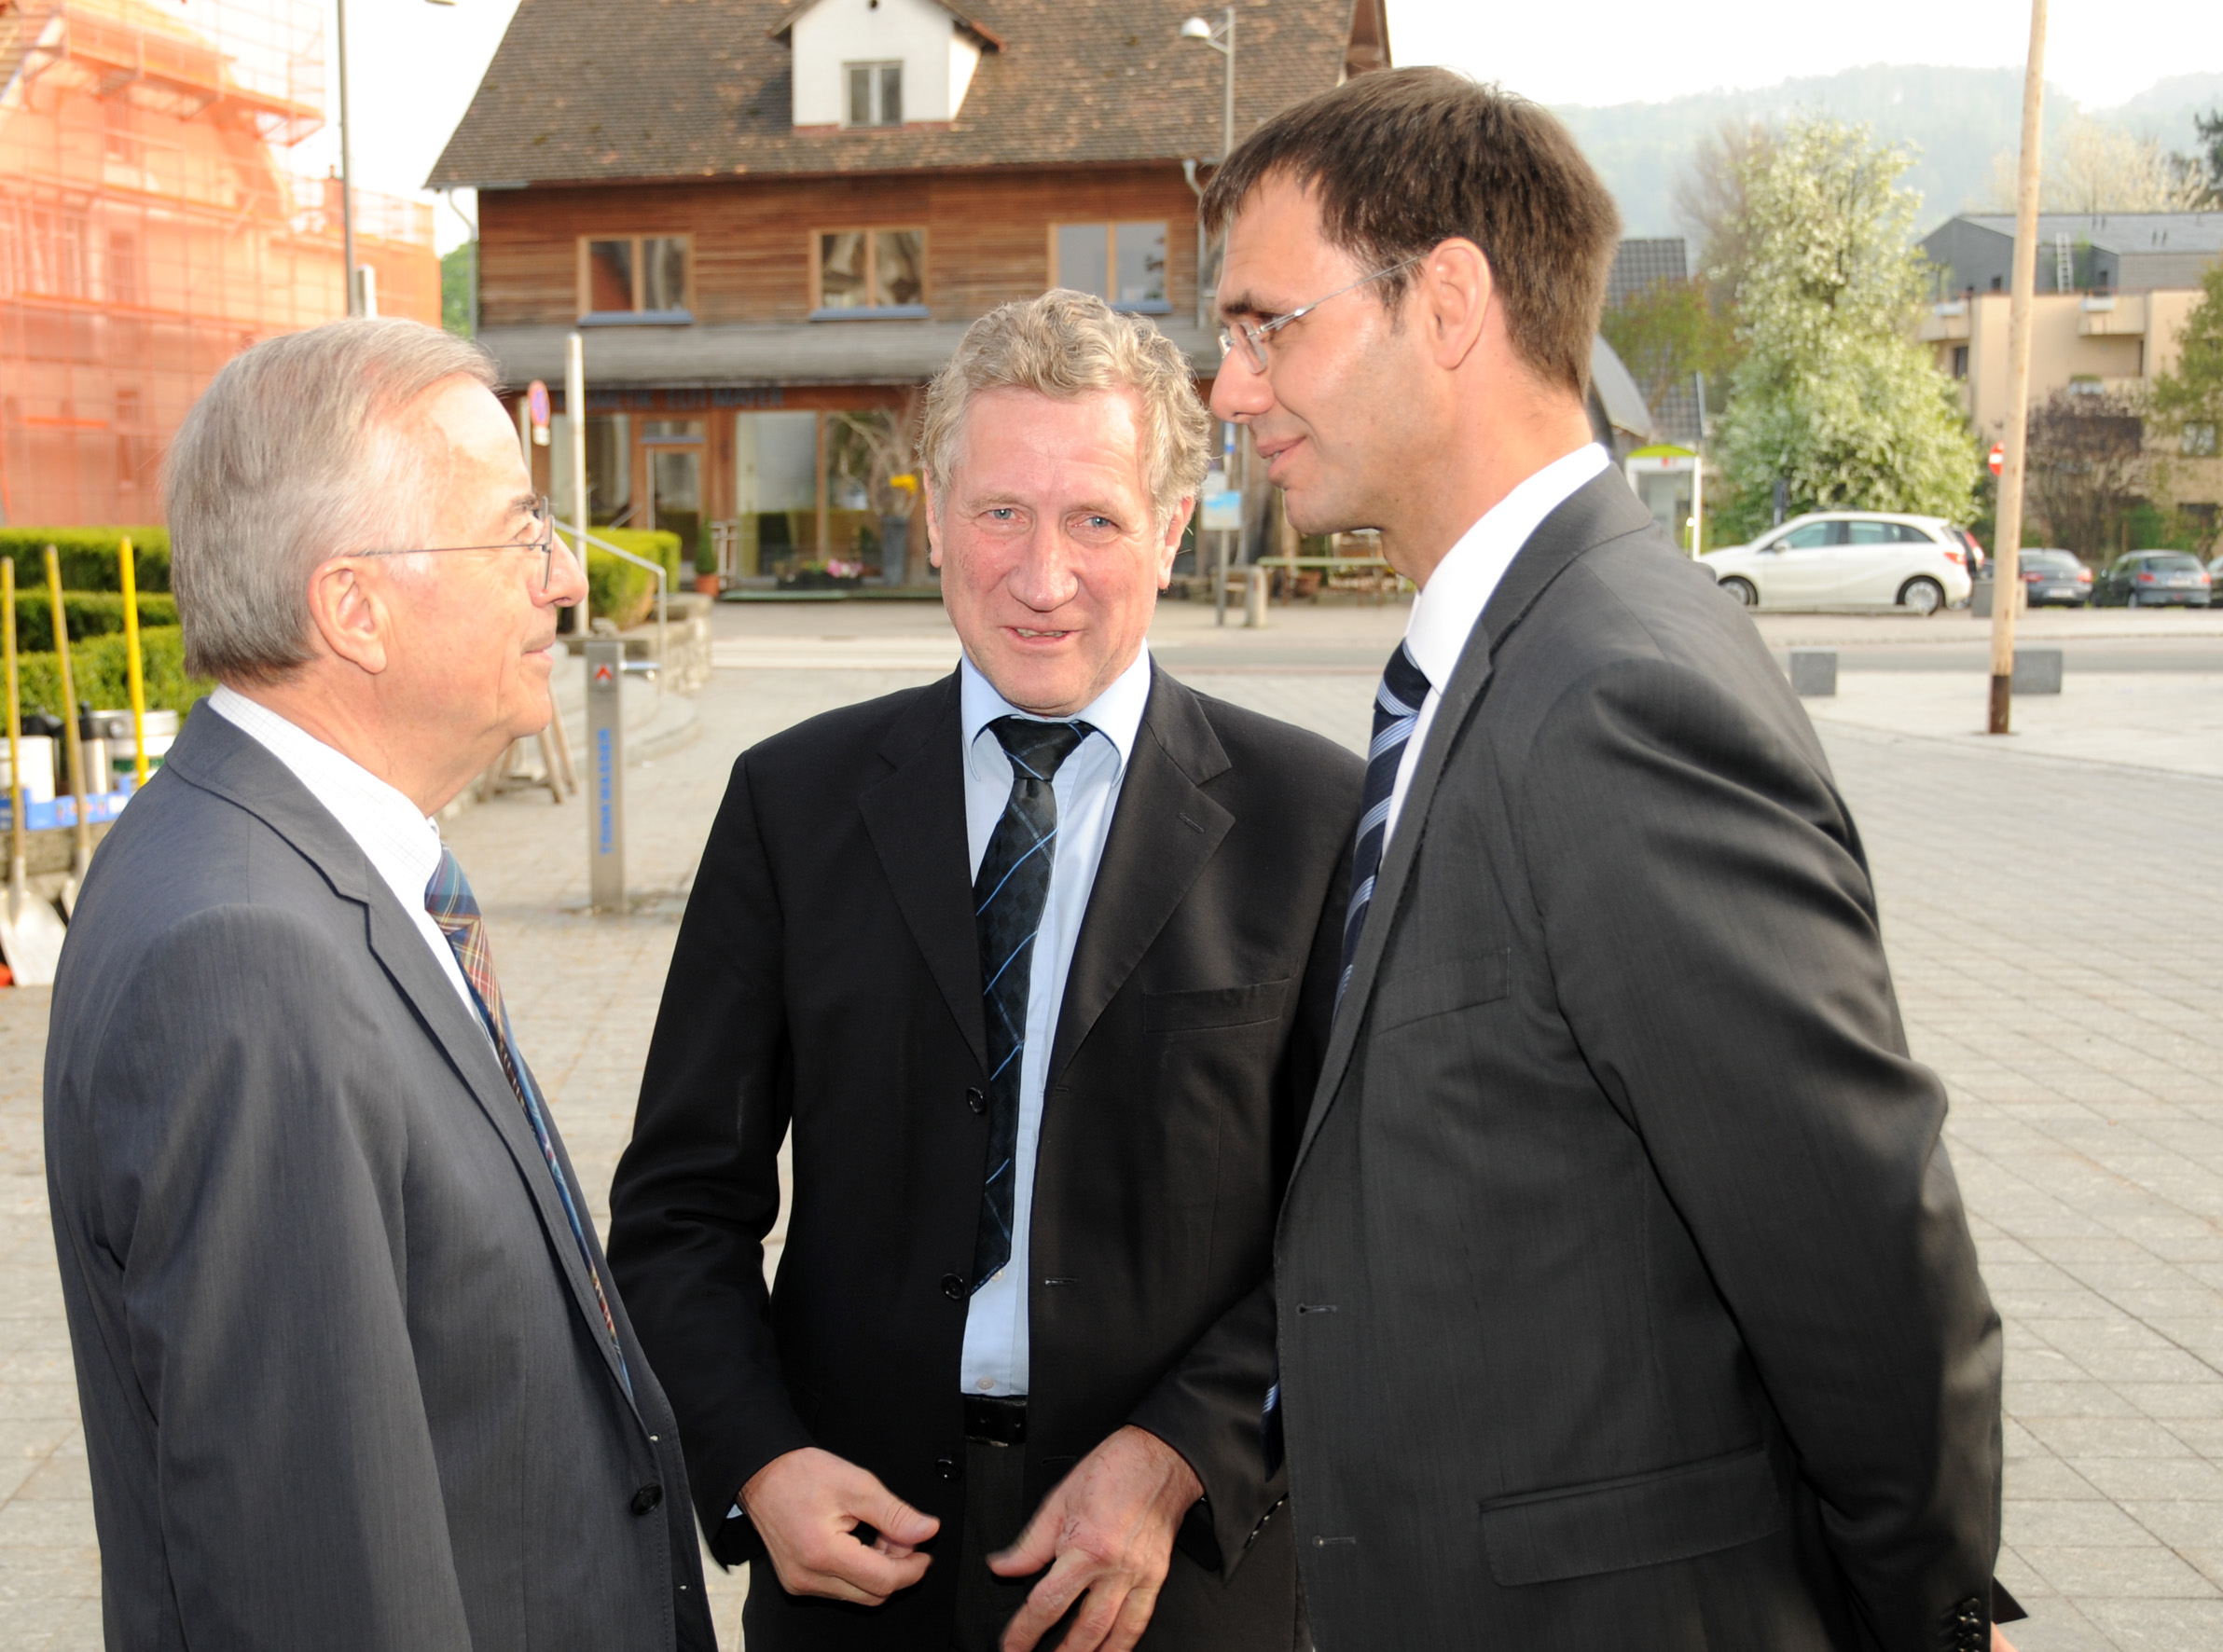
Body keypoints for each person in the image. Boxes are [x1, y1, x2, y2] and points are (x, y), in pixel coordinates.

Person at [1202, 70, 2010, 1652]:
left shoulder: (1612, 694)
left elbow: (1852, 1251)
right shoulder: (1516, 655)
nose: (1232, 388)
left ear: (1447, 303)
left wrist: (1927, 1611)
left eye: (1266, 326)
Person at [606, 290, 1361, 1652]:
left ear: (1172, 530)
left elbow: (1358, 1228)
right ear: (937, 517)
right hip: (852, 1568)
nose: (1042, 574)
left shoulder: (1314, 823)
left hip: (1176, 1583)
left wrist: (1182, 1455)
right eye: (1001, 511)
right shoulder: (792, 803)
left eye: (1096, 520)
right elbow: (677, 1208)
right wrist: (757, 1457)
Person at [45, 319, 714, 1652]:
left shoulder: (287, 863)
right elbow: (313, 1566)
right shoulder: (247, 958)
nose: (566, 577)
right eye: (520, 533)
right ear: (354, 609)